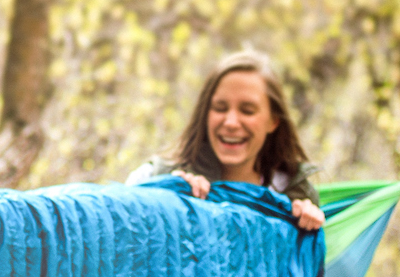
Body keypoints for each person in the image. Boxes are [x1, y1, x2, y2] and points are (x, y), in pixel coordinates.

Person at [127, 49, 326, 232]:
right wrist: (163, 196)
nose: (231, 122)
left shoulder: (294, 198)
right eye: (220, 108)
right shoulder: (152, 177)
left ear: (273, 121)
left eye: (247, 111)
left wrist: (309, 227)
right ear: (205, 115)